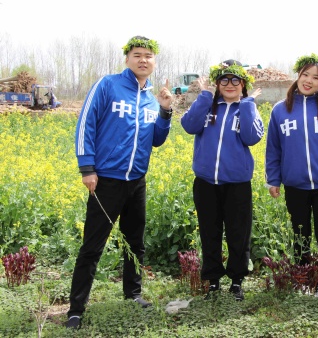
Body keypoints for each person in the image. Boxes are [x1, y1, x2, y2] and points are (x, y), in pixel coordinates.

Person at [66, 36, 173, 329]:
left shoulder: (153, 99)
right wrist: (87, 167)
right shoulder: (107, 85)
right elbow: (85, 124)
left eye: (148, 56)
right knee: (92, 246)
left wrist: (165, 110)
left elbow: (158, 140)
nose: (143, 60)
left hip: (137, 181)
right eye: (137, 54)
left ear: (154, 62)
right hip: (106, 180)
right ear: (127, 59)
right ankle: (76, 308)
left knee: (135, 242)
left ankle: (133, 293)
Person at [265, 53, 318, 297]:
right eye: (305, 75)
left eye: (317, 77)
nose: (309, 81)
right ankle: (303, 279)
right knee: (300, 233)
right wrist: (273, 179)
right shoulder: (280, 110)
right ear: (298, 75)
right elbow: (274, 148)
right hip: (295, 184)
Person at [180, 59, 264, 301]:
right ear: (216, 83)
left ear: (243, 84)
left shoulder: (247, 108)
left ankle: (237, 282)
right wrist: (205, 97)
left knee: (239, 234)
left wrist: (247, 104)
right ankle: (213, 281)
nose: (229, 84)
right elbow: (188, 125)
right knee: (210, 233)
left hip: (237, 184)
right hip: (206, 183)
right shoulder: (208, 105)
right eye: (224, 79)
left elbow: (251, 137)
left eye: (235, 80)